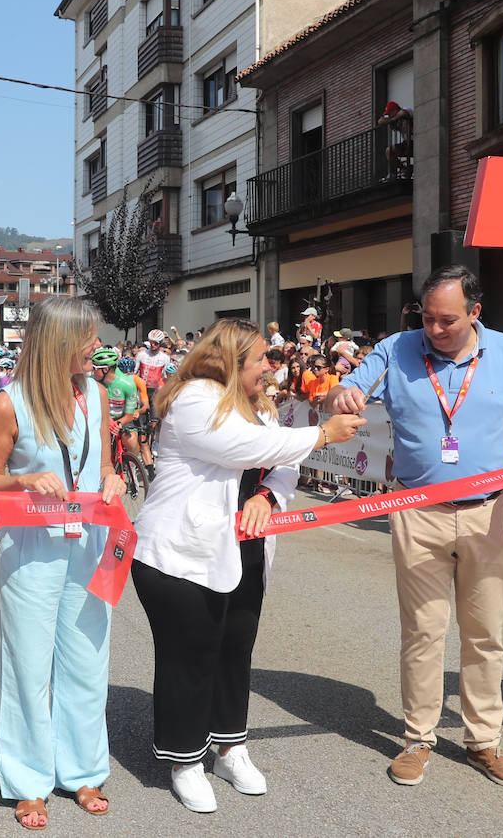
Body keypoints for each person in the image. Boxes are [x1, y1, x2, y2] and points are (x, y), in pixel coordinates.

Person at [324, 264, 503, 790]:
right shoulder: (396, 349)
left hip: (489, 512)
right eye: (427, 318)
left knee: (485, 634)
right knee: (423, 632)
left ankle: (484, 743)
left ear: (476, 312)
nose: (435, 329)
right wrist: (343, 397)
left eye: (447, 320)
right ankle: (418, 739)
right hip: (417, 512)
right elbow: (341, 394)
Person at [132, 319, 363, 812]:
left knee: (235, 650)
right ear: (230, 362)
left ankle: (230, 746)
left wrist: (265, 495)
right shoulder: (195, 398)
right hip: (182, 552)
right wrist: (322, 434)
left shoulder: (258, 405)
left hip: (245, 545)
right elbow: (247, 448)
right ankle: (185, 759)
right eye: (260, 359)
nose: (270, 367)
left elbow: (282, 464)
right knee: (189, 657)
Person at [0, 296, 126, 830]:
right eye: (88, 338)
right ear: (57, 343)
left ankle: (84, 770)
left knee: (87, 659)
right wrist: (21, 481)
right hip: (32, 547)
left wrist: (112, 480)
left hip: (90, 541)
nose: (97, 347)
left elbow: (104, 463)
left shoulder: (98, 394)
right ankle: (28, 780)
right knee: (28, 665)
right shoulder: (9, 403)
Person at [93, 348, 142, 463]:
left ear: (105, 369)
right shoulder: (92, 382)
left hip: (123, 418)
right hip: (100, 419)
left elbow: (129, 415)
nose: (92, 371)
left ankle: (133, 464)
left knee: (132, 440)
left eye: (95, 369)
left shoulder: (127, 384)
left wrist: (118, 424)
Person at [377, 101, 414, 179]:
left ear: (394, 110)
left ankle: (404, 170)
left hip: (415, 140)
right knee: (389, 151)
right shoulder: (392, 116)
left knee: (389, 150)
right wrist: (391, 120)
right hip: (406, 142)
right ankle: (402, 170)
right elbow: (380, 121)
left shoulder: (405, 109)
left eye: (390, 112)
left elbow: (403, 113)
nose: (389, 115)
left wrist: (393, 119)